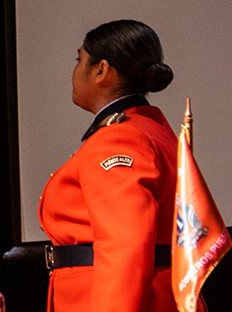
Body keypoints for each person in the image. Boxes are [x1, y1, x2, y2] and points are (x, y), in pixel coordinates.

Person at [38, 20, 201, 311]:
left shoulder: (119, 139)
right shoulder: (148, 129)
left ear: (101, 70)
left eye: (79, 60)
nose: (74, 71)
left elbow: (124, 250)